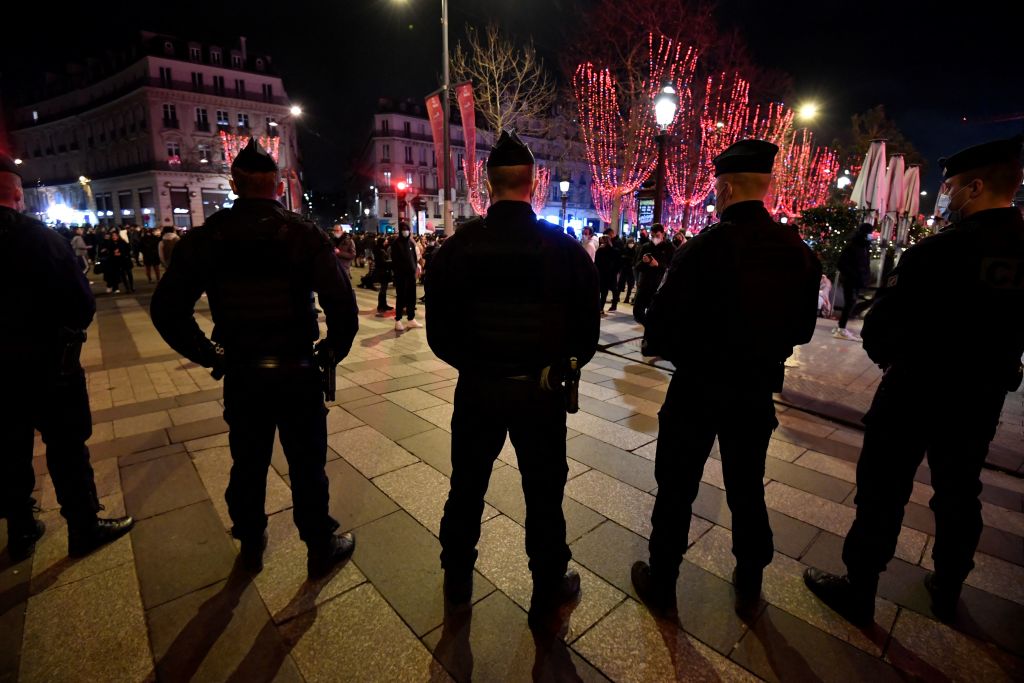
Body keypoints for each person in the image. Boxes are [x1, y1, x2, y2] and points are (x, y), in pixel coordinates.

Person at [804, 135, 1024, 626]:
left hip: (916, 390)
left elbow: (883, 326)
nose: (945, 195)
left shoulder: (942, 250)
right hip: (981, 397)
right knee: (960, 490)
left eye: (950, 186)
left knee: (883, 489)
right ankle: (948, 584)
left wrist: (889, 359)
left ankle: (860, 587)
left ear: (977, 186)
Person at [151, 138, 360, 577]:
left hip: (244, 371)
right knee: (307, 465)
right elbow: (342, 304)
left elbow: (167, 309)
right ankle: (319, 544)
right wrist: (332, 351)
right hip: (296, 369)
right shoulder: (304, 234)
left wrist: (210, 354)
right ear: (279, 185)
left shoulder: (209, 238)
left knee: (247, 460)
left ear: (234, 184)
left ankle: (250, 539)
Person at [632, 140, 821, 618]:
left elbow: (660, 329)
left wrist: (689, 350)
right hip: (755, 390)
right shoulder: (797, 251)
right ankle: (750, 575)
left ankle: (664, 577)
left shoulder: (703, 249)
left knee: (677, 485)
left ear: (727, 186)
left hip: (698, 387)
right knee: (747, 484)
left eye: (717, 188)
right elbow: (801, 328)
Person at [426, 130, 600, 627]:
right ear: (534, 183)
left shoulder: (457, 250)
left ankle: (457, 577)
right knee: (544, 492)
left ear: (488, 183)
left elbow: (438, 333)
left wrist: (475, 362)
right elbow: (586, 333)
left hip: (480, 388)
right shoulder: (564, 250)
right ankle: (548, 588)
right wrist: (558, 367)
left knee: (466, 486)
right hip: (539, 392)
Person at [0, 152, 135, 562]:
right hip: (49, 366)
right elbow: (81, 303)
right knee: (67, 447)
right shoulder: (41, 239)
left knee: (8, 449)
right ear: (17, 194)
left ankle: (21, 528)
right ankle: (82, 524)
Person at [832, 223, 874, 340]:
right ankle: (841, 328)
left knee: (851, 303)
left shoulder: (864, 246)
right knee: (849, 303)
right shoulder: (853, 246)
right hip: (850, 280)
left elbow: (864, 265)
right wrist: (854, 275)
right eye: (870, 233)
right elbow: (841, 263)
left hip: (856, 280)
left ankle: (841, 326)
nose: (872, 235)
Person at [632, 223, 674, 324]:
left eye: (657, 236)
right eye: (652, 236)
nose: (655, 238)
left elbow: (672, 267)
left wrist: (658, 265)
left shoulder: (669, 247)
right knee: (637, 312)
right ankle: (649, 328)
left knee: (656, 313)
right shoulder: (646, 246)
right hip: (645, 284)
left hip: (660, 286)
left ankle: (649, 335)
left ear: (663, 234)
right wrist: (644, 261)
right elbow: (637, 265)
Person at [390, 222, 423, 331]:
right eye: (403, 229)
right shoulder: (396, 243)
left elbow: (414, 258)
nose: (405, 231)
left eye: (407, 229)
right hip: (401, 276)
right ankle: (398, 320)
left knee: (411, 297)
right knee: (401, 297)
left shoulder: (410, 243)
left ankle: (411, 319)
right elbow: (395, 261)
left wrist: (415, 268)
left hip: (410, 276)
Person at [595, 235, 621, 315]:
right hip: (611, 274)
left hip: (602, 274)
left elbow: (597, 263)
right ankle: (613, 306)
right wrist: (616, 272)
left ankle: (601, 308)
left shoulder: (600, 250)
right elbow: (618, 263)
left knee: (603, 291)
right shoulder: (615, 250)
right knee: (613, 290)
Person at [372, 235, 393, 315]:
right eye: (385, 241)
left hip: (382, 271)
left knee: (384, 289)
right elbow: (382, 262)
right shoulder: (380, 251)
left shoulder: (378, 249)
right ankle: (381, 306)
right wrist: (391, 262)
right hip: (383, 272)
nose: (386, 242)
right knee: (383, 289)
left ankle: (384, 304)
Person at [618, 236, 637, 304]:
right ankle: (617, 297)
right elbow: (621, 257)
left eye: (632, 242)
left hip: (631, 269)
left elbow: (634, 259)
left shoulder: (635, 250)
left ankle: (627, 298)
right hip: (624, 268)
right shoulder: (625, 248)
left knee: (630, 284)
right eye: (629, 242)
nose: (631, 244)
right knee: (620, 283)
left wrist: (627, 258)